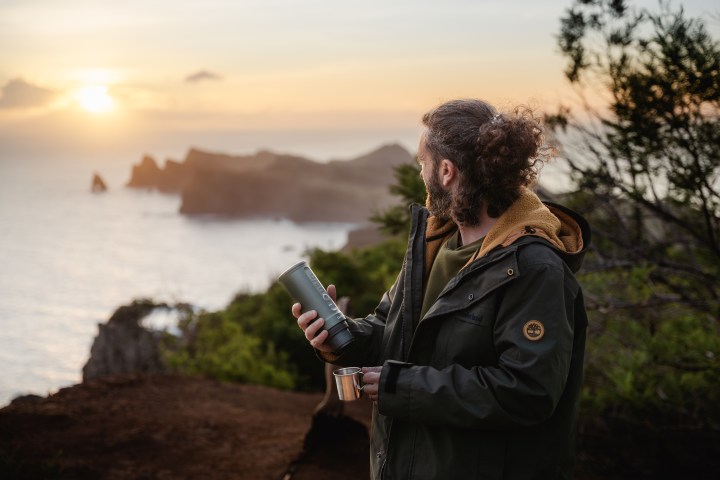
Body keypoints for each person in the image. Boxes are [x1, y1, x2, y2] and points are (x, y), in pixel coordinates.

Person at [292, 98, 591, 480]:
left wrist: (401, 387)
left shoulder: (535, 269)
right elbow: (391, 330)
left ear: (446, 171)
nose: (421, 172)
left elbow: (527, 391)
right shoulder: (436, 245)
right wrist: (339, 337)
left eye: (423, 162)